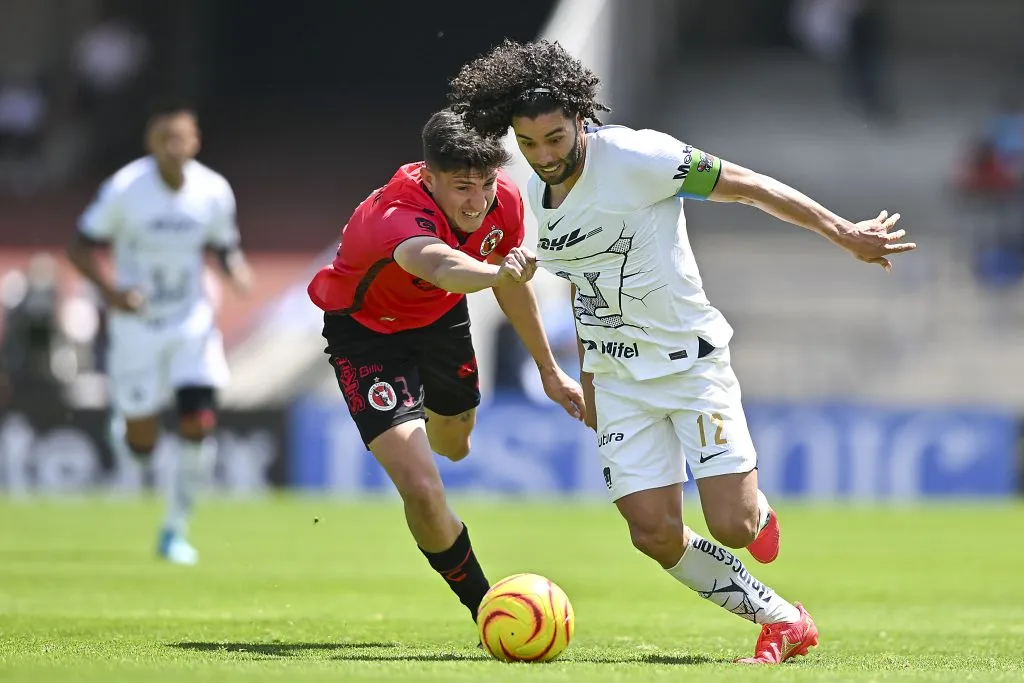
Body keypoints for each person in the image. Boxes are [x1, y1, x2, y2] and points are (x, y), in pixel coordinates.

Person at [449, 39, 916, 664]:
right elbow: (584, 284)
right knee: (652, 532)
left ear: (580, 119)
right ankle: (781, 619)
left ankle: (756, 512)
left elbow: (746, 185)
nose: (544, 156)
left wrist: (842, 232)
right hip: (616, 379)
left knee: (734, 527)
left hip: (690, 365)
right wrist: (587, 377)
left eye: (556, 138)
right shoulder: (527, 195)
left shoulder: (641, 156)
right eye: (529, 144)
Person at [306, 109, 585, 628]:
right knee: (424, 487)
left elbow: (511, 285)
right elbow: (439, 265)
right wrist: (496, 271)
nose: (477, 201)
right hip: (368, 335)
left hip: (439, 319)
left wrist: (548, 370)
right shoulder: (394, 214)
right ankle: (486, 606)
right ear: (429, 177)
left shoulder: (505, 198)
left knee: (455, 445)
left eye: (484, 184)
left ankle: (429, 421)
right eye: (461, 187)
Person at [67, 99, 252, 565]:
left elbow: (223, 243)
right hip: (137, 326)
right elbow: (80, 247)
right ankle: (129, 431)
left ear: (195, 142)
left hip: (191, 321)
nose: (174, 148)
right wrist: (112, 294)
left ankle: (175, 529)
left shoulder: (213, 190)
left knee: (198, 422)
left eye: (182, 138)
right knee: (142, 445)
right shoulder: (126, 188)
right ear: (152, 144)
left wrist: (235, 269)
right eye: (165, 139)